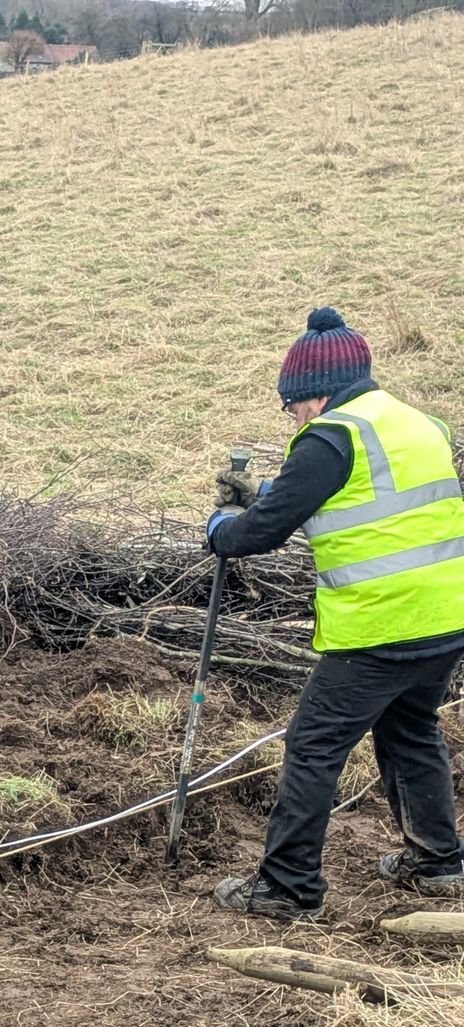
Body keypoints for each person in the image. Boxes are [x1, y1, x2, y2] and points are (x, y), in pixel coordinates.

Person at [206, 307, 464, 921]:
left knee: (314, 744)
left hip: (381, 625)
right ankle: (440, 864)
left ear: (312, 395)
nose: (293, 417)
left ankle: (288, 887)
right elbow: (371, 494)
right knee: (410, 730)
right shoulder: (417, 422)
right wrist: (273, 489)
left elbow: (258, 535)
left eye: (291, 405)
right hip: (447, 615)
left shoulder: (331, 435)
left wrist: (220, 527)